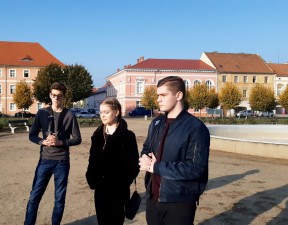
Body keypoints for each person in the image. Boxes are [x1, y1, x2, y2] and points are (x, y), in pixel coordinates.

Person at [139, 76, 210, 225]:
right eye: (158, 95)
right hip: (153, 199)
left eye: (163, 95)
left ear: (178, 95)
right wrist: (144, 158)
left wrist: (157, 167)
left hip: (180, 202)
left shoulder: (196, 128)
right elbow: (147, 148)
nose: (158, 99)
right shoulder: (156, 123)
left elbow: (197, 169)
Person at [24, 82, 82, 225]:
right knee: (34, 197)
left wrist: (60, 142)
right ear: (50, 95)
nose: (56, 98)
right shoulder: (42, 113)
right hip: (44, 160)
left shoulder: (69, 115)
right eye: (54, 95)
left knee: (59, 200)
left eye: (60, 96)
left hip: (62, 162)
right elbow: (32, 135)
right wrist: (43, 142)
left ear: (64, 97)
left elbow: (77, 139)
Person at [86, 97, 139, 225]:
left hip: (118, 191)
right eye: (101, 112)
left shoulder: (127, 136)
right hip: (100, 189)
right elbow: (92, 160)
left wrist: (124, 181)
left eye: (106, 112)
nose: (102, 115)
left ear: (116, 112)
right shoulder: (97, 135)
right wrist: (91, 177)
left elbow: (133, 164)